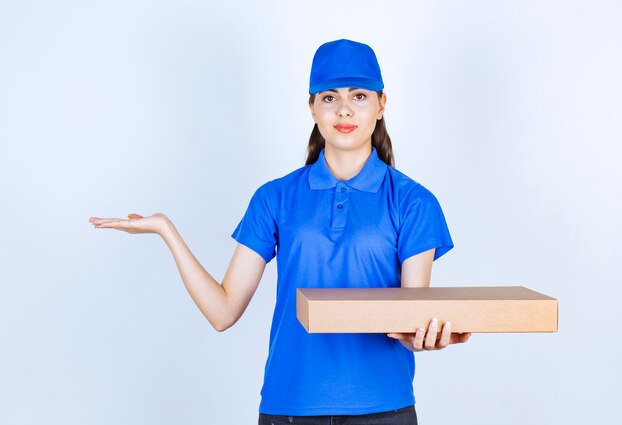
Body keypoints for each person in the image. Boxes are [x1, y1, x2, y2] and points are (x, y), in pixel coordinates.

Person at [89, 38, 471, 425]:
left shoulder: (413, 202)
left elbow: (409, 318)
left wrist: (427, 337)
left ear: (380, 105)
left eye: (358, 96)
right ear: (312, 107)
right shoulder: (275, 198)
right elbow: (223, 312)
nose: (344, 109)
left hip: (383, 409)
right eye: (328, 97)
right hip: (290, 408)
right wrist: (166, 231)